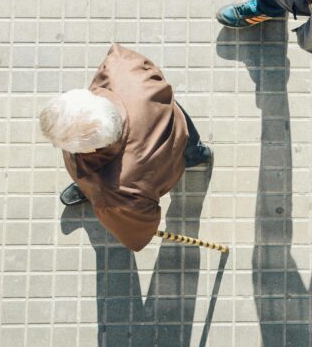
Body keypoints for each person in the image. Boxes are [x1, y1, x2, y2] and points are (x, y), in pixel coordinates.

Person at [39, 43, 212, 251]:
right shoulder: (118, 66)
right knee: (190, 145)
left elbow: (138, 232)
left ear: (91, 151)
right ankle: (198, 153)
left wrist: (102, 198)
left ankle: (89, 188)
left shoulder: (116, 193)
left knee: (95, 184)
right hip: (170, 118)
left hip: (154, 173)